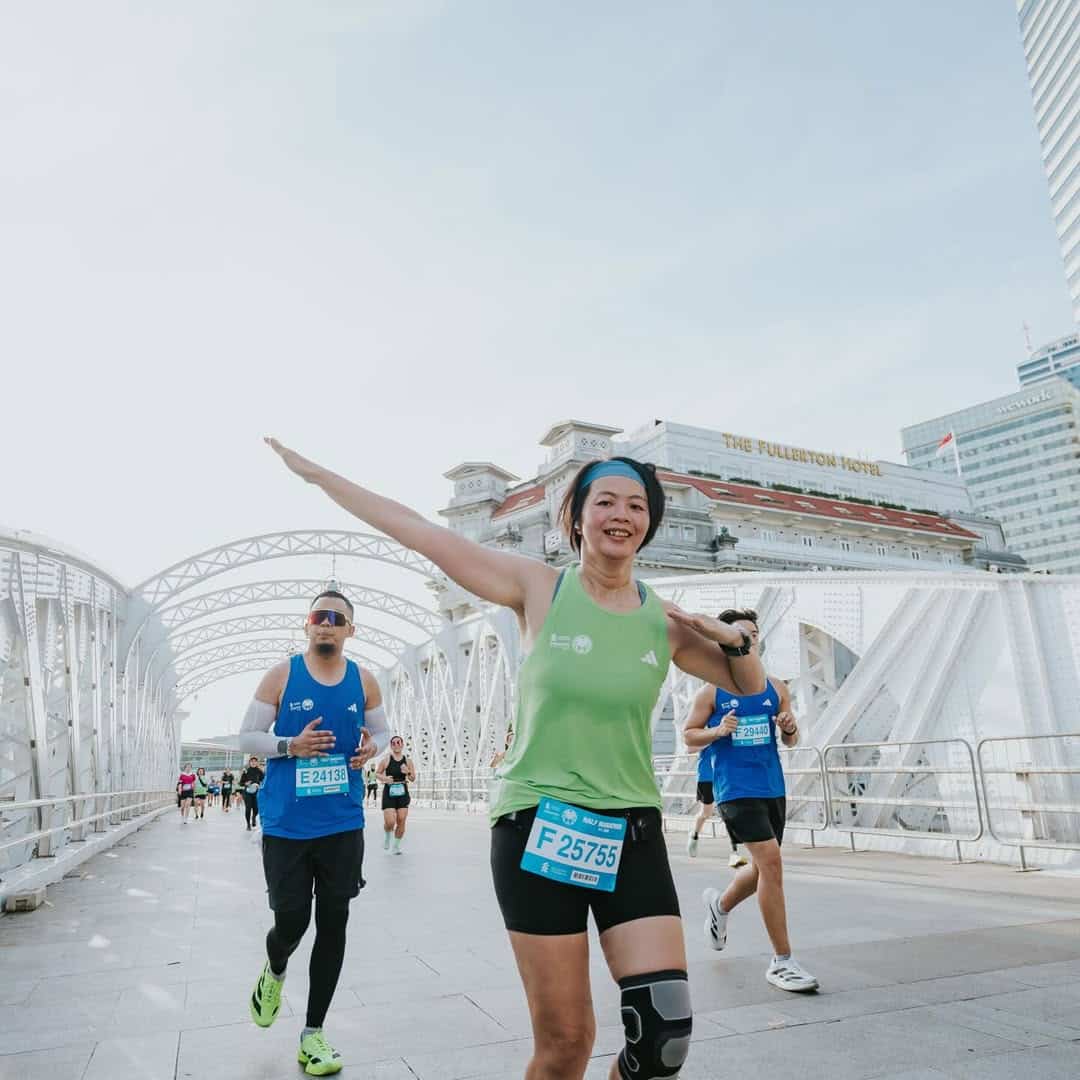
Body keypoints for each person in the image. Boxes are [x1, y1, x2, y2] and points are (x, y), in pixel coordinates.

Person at [267, 439, 766, 1080]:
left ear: (650, 522)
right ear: (577, 518)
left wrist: (734, 636)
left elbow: (749, 685)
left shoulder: (662, 620)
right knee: (566, 1044)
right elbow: (422, 534)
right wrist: (318, 474)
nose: (622, 514)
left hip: (634, 828)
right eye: (605, 501)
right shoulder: (538, 588)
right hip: (540, 825)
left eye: (637, 505)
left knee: (663, 1035)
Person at [239, 587, 389, 1077]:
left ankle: (313, 1034)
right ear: (307, 625)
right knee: (292, 921)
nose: (325, 623)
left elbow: (383, 733)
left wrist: (374, 751)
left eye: (336, 617)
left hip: (343, 821)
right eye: (317, 616)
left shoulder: (364, 681)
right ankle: (275, 970)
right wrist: (290, 744)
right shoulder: (283, 674)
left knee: (335, 921)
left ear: (350, 629)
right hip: (286, 823)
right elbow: (247, 737)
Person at [684, 609, 818, 994]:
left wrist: (790, 729)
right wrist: (717, 730)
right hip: (735, 790)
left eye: (754, 634)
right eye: (740, 633)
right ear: (722, 638)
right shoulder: (710, 691)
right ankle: (782, 961)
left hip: (771, 787)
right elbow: (689, 736)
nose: (749, 639)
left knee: (763, 870)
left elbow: (791, 741)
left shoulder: (775, 687)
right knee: (772, 864)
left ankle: (720, 907)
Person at [686, 737, 747, 868]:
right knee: (705, 813)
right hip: (706, 777)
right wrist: (711, 737)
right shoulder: (704, 730)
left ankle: (735, 853)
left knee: (729, 813)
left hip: (726, 775)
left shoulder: (727, 729)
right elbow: (690, 748)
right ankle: (694, 834)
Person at [377, 736, 416, 854]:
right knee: (390, 821)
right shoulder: (386, 760)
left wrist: (408, 772)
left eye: (398, 742)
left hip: (403, 792)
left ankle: (396, 846)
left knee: (401, 819)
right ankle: (388, 836)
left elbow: (413, 778)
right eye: (393, 743)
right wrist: (384, 778)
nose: (396, 744)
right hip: (389, 792)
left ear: (402, 744)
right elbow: (377, 774)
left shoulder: (408, 761)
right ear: (391, 745)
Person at [240, 757, 265, 831]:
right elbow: (241, 783)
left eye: (255, 761)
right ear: (249, 763)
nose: (253, 762)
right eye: (252, 761)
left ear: (257, 763)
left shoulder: (259, 771)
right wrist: (246, 783)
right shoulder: (246, 771)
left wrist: (259, 785)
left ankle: (253, 817)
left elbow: (263, 781)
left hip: (256, 792)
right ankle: (248, 824)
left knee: (256, 809)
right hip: (247, 792)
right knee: (248, 808)